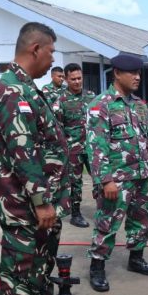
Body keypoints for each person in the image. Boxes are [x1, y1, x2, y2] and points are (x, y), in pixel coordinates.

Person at [0, 22, 78, 295]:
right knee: (21, 267)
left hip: (41, 202)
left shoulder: (28, 88)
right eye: (52, 51)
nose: (53, 58)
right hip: (22, 203)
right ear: (36, 49)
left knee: (41, 262)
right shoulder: (13, 91)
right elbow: (22, 152)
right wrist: (41, 202)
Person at [85, 54, 148, 292]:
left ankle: (136, 259)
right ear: (117, 73)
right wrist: (105, 180)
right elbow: (96, 146)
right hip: (116, 180)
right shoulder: (101, 104)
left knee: (142, 220)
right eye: (132, 73)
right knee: (107, 223)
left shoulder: (139, 105)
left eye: (139, 73)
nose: (137, 77)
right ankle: (97, 268)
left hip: (141, 176)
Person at [53, 63, 94, 228]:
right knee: (75, 183)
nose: (77, 82)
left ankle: (105, 211)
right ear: (66, 79)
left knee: (100, 179)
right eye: (73, 79)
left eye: (79, 78)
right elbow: (57, 130)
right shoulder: (60, 101)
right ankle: (75, 214)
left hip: (92, 148)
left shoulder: (92, 97)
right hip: (73, 150)